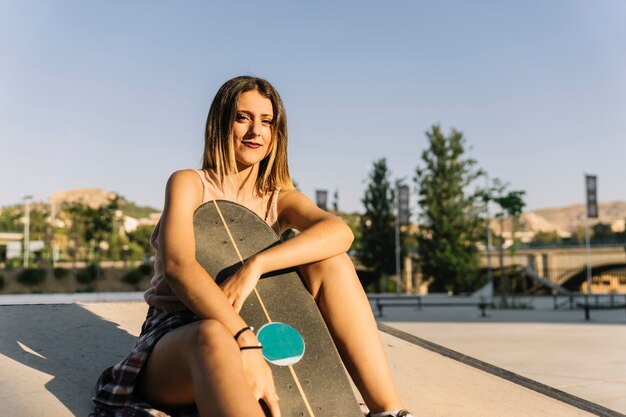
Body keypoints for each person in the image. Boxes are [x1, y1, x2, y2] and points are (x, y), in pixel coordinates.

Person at [90, 76, 414, 417]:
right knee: (213, 335)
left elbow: (339, 232)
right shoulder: (190, 183)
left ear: (276, 134)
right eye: (242, 118)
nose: (255, 131)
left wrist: (254, 266)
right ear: (221, 123)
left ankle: (388, 412)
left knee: (332, 262)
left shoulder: (279, 198)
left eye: (266, 122)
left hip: (262, 325)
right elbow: (178, 266)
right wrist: (244, 341)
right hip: (186, 334)